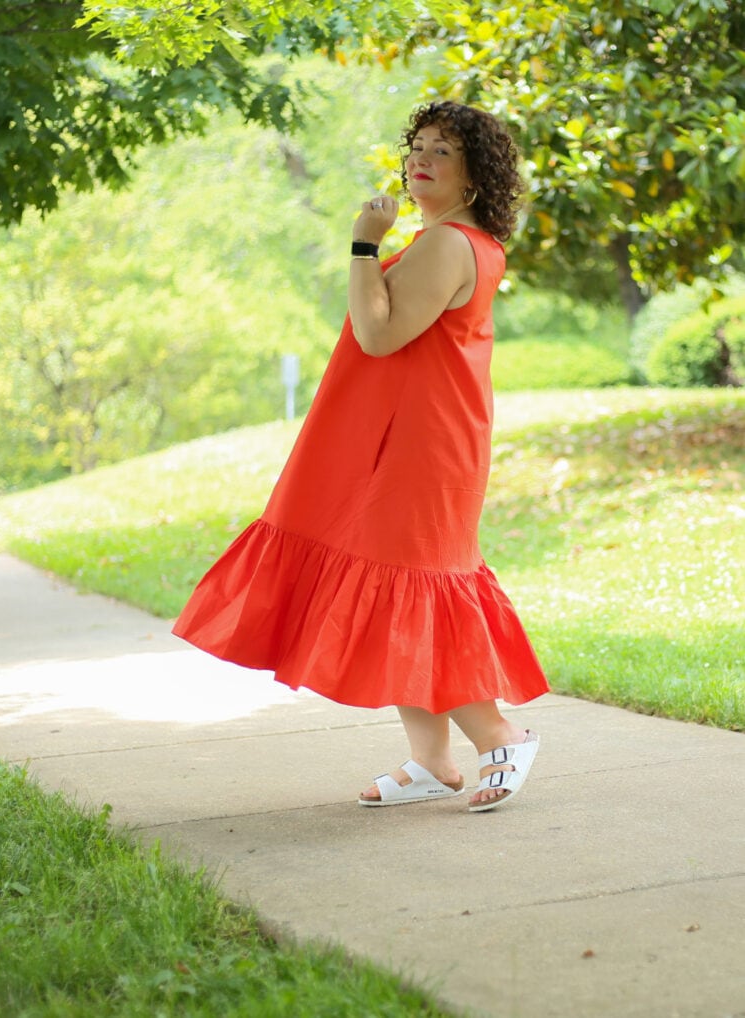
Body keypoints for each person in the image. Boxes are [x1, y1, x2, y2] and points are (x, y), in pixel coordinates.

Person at [173, 100, 549, 812]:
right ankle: (431, 757)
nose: (423, 160)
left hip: (420, 444)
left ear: (474, 177)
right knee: (401, 589)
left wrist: (362, 244)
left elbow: (379, 336)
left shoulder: (446, 245)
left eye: (444, 152)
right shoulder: (453, 241)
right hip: (413, 436)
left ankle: (501, 735)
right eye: (420, 147)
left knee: (419, 586)